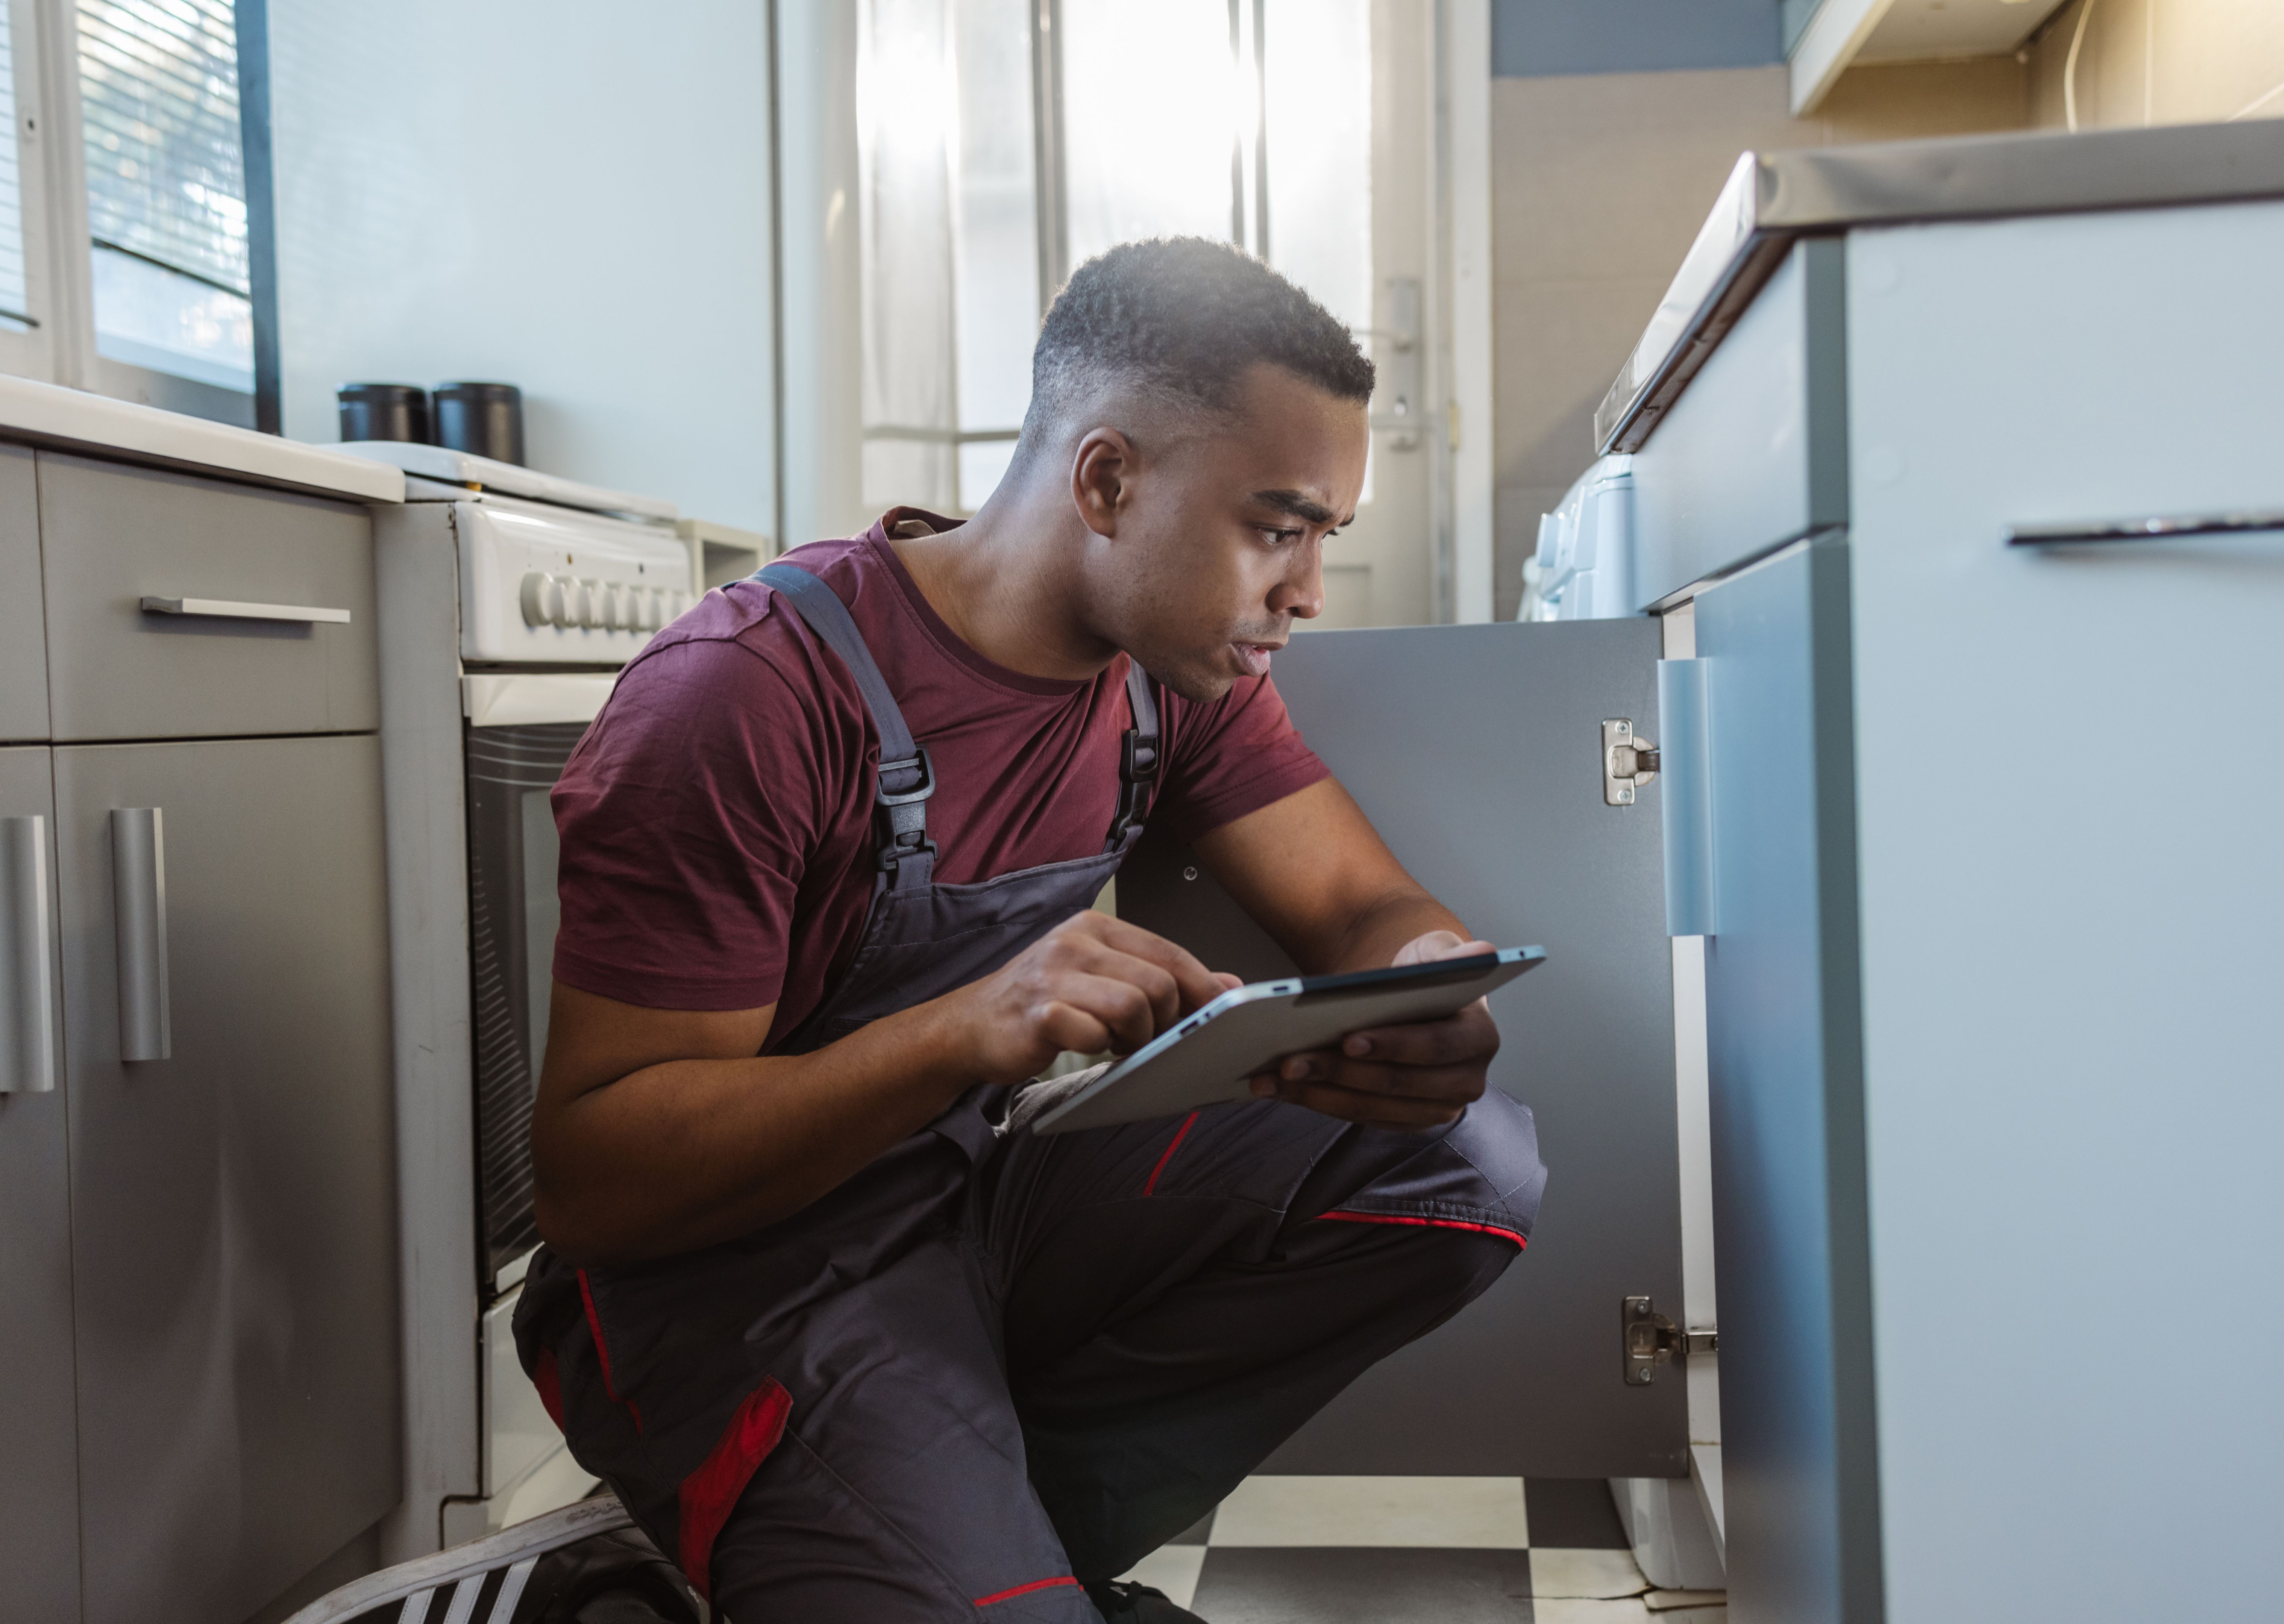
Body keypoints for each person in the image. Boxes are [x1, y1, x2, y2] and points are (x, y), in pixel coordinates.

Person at [515, 237, 1545, 1623]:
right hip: (725, 1283)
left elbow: (1362, 905)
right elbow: (595, 1186)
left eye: (1325, 540)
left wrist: (1424, 983)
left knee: (1465, 1164)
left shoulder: (1168, 676)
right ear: (1107, 482)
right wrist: (965, 1030)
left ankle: (967, 1548)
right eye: (1277, 528)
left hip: (973, 1192)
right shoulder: (744, 698)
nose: (1306, 592)